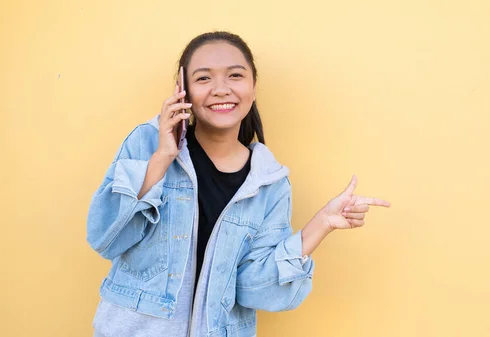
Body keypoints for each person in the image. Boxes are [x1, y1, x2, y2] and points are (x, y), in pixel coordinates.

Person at [86, 31, 391, 337]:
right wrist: (162, 157)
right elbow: (106, 238)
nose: (221, 89)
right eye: (203, 78)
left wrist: (321, 224)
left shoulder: (269, 183)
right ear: (183, 90)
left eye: (235, 75)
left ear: (253, 87)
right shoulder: (147, 143)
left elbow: (255, 291)